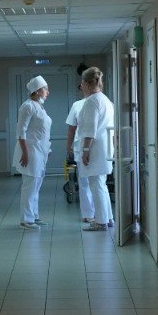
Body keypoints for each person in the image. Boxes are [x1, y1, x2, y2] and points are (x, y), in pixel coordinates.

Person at [76, 66, 115, 232]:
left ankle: (100, 222)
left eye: (82, 84)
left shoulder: (92, 101)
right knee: (101, 184)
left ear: (86, 83)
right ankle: (108, 218)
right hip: (105, 148)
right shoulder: (104, 99)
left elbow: (90, 129)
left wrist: (85, 151)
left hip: (95, 149)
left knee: (96, 185)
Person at [15, 75, 51, 230]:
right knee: (30, 186)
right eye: (45, 89)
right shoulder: (27, 106)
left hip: (41, 151)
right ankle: (26, 220)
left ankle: (34, 216)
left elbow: (42, 131)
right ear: (37, 91)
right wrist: (25, 153)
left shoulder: (39, 106)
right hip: (31, 151)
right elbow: (20, 132)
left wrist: (47, 149)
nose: (48, 92)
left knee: (36, 186)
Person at [65, 79, 94, 223]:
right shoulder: (77, 105)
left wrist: (69, 146)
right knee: (87, 182)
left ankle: (95, 215)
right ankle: (90, 214)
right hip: (82, 147)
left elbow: (72, 129)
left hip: (92, 147)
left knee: (93, 183)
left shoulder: (100, 102)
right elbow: (72, 127)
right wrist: (69, 146)